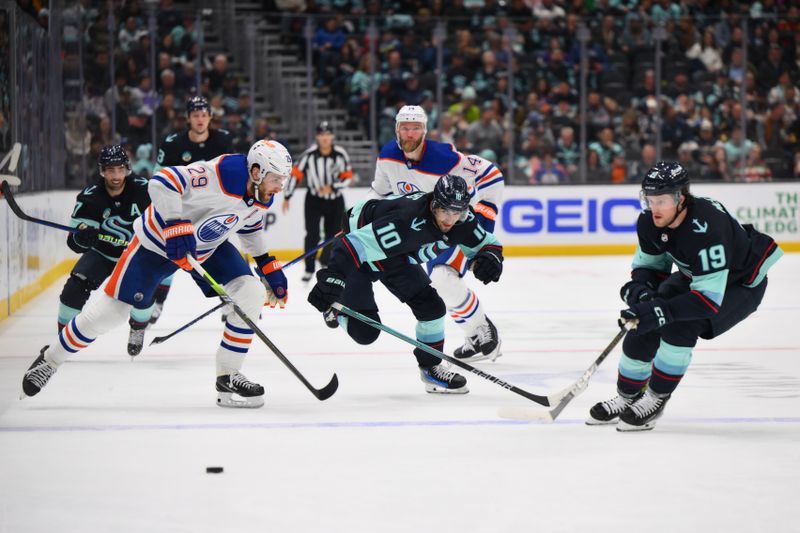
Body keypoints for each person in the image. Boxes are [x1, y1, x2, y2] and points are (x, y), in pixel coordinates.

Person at [21, 140, 293, 408]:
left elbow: (249, 226)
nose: (281, 185)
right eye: (277, 178)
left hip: (207, 247)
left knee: (252, 291)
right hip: (156, 245)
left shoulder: (262, 193)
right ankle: (50, 359)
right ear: (256, 172)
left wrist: (267, 264)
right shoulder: (222, 175)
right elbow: (162, 181)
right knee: (111, 313)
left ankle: (228, 374)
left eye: (283, 179)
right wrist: (175, 223)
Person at [587, 161, 783, 431]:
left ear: (681, 198)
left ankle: (656, 398)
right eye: (649, 199)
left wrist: (658, 311)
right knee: (641, 325)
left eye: (662, 201)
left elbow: (706, 299)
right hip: (697, 276)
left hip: (740, 284)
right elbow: (649, 268)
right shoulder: (649, 221)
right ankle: (627, 397)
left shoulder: (708, 228)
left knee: (680, 323)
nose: (654, 209)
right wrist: (642, 293)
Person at [307, 175, 504, 394]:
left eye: (457, 212)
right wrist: (333, 279)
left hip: (396, 256)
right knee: (365, 333)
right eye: (446, 211)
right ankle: (336, 310)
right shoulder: (405, 222)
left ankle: (431, 368)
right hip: (361, 249)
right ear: (434, 205)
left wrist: (492, 256)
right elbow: (348, 246)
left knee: (432, 307)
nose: (450, 220)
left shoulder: (462, 220)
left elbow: (488, 243)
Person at [369, 105, 505, 363]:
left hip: (455, 223)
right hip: (424, 228)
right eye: (405, 128)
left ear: (425, 130)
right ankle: (476, 333)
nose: (410, 134)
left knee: (443, 277)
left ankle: (483, 332)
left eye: (416, 128)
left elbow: (490, 174)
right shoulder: (387, 156)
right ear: (397, 130)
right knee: (440, 283)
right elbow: (379, 193)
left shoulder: (443, 158)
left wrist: (484, 214)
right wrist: (359, 216)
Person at [58, 145, 153, 356]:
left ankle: (137, 329)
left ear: (127, 169)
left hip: (135, 256)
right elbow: (73, 244)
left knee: (144, 295)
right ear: (102, 171)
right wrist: (82, 238)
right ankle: (61, 340)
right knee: (74, 289)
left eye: (120, 169)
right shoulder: (89, 197)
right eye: (110, 170)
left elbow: (162, 221)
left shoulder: (145, 189)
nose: (116, 175)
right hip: (102, 253)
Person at [151, 95, 234, 323]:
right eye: (195, 115)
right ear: (188, 118)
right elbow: (159, 179)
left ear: (210, 117)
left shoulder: (224, 140)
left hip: (212, 211)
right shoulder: (173, 143)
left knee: (220, 256)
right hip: (180, 211)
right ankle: (157, 303)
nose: (200, 119)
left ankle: (226, 302)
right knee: (168, 258)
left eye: (204, 115)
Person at [283, 121, 353, 282]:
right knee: (312, 234)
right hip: (313, 200)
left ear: (332, 136)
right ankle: (309, 268)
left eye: (327, 134)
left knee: (333, 235)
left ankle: (325, 262)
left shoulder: (340, 154)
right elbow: (296, 174)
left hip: (335, 200)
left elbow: (347, 177)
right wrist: (287, 196)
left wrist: (333, 187)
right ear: (317, 137)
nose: (325, 138)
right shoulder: (309, 155)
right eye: (321, 134)